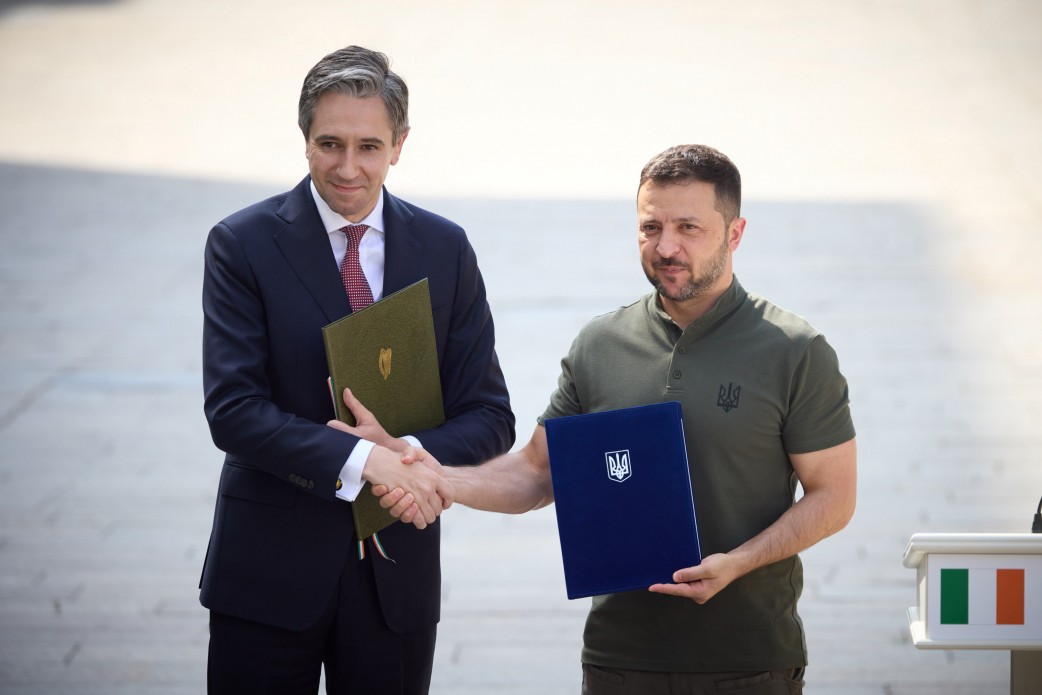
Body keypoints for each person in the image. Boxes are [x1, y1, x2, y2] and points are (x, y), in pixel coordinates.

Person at [374, 144, 857, 693]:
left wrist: (740, 563)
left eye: (689, 227)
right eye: (651, 227)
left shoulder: (795, 349)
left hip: (750, 661)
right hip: (618, 661)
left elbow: (834, 496)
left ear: (735, 233)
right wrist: (438, 476)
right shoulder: (599, 344)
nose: (667, 246)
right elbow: (537, 472)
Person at [199, 45, 514, 694]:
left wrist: (406, 454)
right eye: (329, 144)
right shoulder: (241, 245)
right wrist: (366, 462)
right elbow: (234, 409)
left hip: (395, 579)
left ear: (399, 145)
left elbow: (490, 414)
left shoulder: (444, 248)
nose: (347, 167)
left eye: (368, 146)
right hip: (267, 571)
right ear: (304, 140)